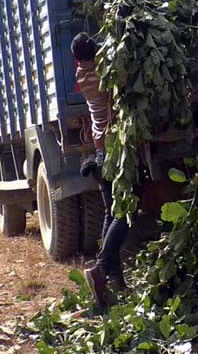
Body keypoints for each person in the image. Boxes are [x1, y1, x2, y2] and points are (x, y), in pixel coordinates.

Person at [71, 32, 129, 305]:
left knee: (110, 211)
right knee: (125, 210)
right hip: (114, 149)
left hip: (101, 148)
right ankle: (101, 268)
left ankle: (115, 278)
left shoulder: (82, 76)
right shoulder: (100, 76)